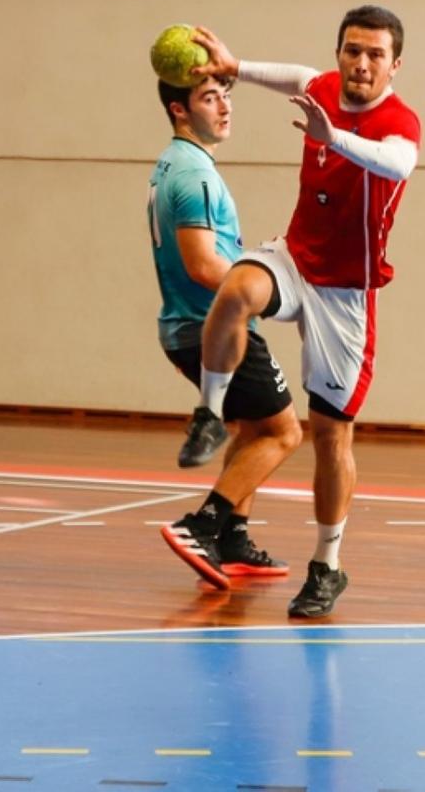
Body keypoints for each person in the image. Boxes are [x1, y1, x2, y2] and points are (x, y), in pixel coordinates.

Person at [175, 5, 421, 618]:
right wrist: (238, 67)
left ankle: (326, 565)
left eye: (373, 54)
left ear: (395, 64)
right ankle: (208, 414)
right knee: (235, 291)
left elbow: (396, 163)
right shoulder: (324, 87)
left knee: (331, 437)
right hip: (297, 257)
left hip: (346, 293)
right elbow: (299, 77)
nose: (359, 63)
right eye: (351, 50)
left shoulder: (400, 122)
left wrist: (331, 139)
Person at [149, 75, 303, 590]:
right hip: (209, 325)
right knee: (284, 432)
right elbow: (200, 265)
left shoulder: (177, 164)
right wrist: (262, 283)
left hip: (191, 326)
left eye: (225, 95)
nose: (224, 106)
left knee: (253, 428)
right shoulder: (194, 176)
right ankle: (203, 525)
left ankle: (233, 539)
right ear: (179, 110)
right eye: (209, 98)